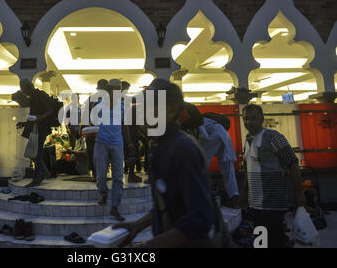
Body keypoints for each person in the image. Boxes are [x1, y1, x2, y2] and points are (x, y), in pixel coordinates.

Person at [114, 79, 230, 247]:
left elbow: (200, 219)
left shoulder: (183, 149)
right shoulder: (159, 147)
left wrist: (148, 247)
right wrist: (137, 225)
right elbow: (169, 203)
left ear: (170, 110)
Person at [241, 104, 306, 248]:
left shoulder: (273, 137)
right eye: (246, 119)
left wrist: (299, 193)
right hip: (255, 203)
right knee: (260, 238)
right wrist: (243, 194)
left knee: (274, 238)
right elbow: (247, 170)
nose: (249, 122)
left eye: (253, 118)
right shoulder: (247, 140)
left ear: (262, 119)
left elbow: (293, 163)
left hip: (273, 201)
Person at [181, 102, 240, 208]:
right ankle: (234, 198)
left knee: (198, 166)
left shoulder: (198, 122)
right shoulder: (202, 121)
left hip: (214, 137)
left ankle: (196, 197)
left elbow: (204, 137)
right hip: (225, 137)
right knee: (228, 170)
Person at [94, 79, 135, 222]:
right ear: (109, 90)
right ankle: (103, 192)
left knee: (118, 176)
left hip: (117, 143)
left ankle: (115, 207)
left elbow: (125, 126)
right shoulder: (99, 105)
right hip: (101, 142)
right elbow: (92, 122)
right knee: (100, 174)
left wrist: (129, 143)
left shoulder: (123, 106)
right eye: (113, 90)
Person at [16, 79, 56, 187]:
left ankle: (38, 178)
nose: (24, 93)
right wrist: (24, 123)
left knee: (35, 152)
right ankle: (44, 172)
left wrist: (41, 117)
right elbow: (33, 115)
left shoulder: (40, 95)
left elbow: (51, 109)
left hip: (41, 128)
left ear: (30, 87)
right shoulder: (32, 98)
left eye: (24, 90)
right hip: (35, 128)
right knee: (32, 153)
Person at [83, 79, 108, 180]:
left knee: (96, 151)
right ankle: (96, 172)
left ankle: (97, 172)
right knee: (95, 151)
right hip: (95, 130)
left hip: (97, 129)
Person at [121, 81, 143, 183]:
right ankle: (131, 173)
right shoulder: (121, 99)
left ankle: (130, 172)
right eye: (126, 88)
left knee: (129, 150)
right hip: (128, 127)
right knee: (131, 149)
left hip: (128, 126)